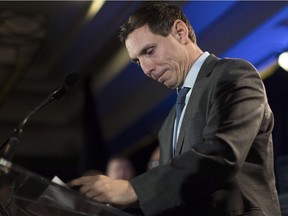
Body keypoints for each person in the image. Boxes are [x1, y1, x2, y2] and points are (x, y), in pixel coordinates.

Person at [68, 2, 281, 216]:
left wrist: (132, 189)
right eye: (137, 61)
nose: (146, 69)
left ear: (180, 32)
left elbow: (222, 153)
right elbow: (178, 192)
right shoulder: (169, 124)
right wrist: (108, 205)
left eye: (149, 51)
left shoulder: (233, 74)